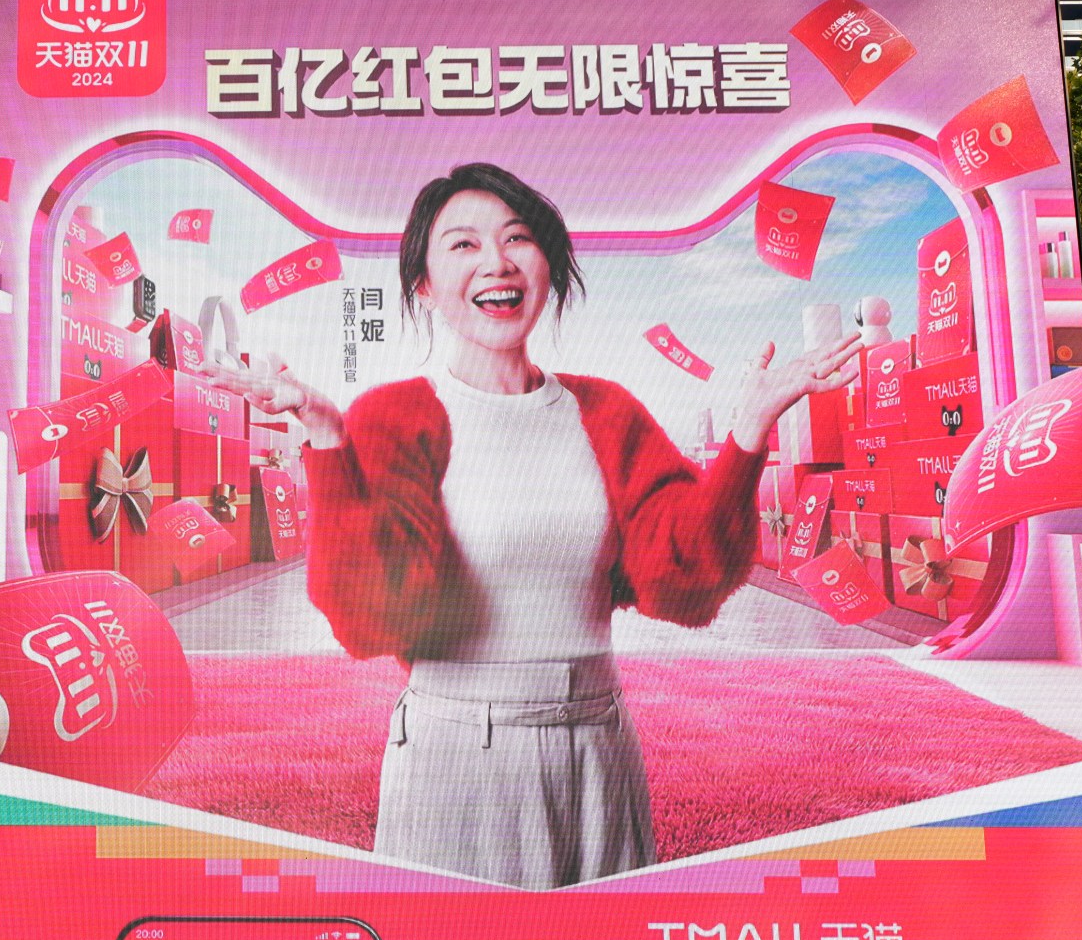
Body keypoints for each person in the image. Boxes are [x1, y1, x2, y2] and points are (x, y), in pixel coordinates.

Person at [207, 162, 861, 889]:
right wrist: (328, 441)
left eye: (519, 239)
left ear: (549, 265)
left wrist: (747, 432)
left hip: (597, 740)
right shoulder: (392, 418)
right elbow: (372, 617)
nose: (497, 263)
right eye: (462, 246)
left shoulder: (606, 413)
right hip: (454, 748)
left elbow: (687, 581)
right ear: (423, 283)